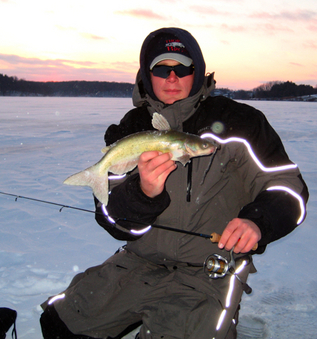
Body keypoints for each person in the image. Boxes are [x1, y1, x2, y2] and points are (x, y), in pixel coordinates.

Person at [40, 27, 309, 339]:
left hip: (209, 270)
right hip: (139, 262)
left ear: (197, 72)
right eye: (161, 69)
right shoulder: (131, 128)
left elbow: (289, 187)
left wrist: (258, 222)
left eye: (182, 68)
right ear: (146, 74)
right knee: (60, 326)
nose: (172, 78)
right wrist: (143, 194)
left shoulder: (241, 122)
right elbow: (112, 219)